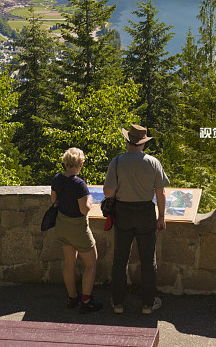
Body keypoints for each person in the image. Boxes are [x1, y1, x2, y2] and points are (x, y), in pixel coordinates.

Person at [103, 124, 169, 315]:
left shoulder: (117, 162)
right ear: (143, 143)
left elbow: (108, 193)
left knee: (120, 259)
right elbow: (161, 193)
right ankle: (148, 304)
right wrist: (161, 217)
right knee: (148, 260)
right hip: (146, 213)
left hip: (123, 213)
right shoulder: (153, 162)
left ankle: (118, 303)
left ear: (127, 141)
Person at [51, 147, 102, 313]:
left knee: (69, 263)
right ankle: (86, 302)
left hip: (62, 226)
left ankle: (72, 298)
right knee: (91, 264)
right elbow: (84, 210)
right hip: (77, 228)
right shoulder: (79, 184)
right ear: (80, 164)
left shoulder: (57, 179)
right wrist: (90, 200)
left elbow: (53, 200)